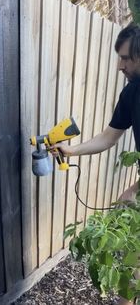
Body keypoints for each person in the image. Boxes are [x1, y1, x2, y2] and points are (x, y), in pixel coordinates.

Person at [51, 22, 140, 305]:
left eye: (126, 58)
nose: (119, 66)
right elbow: (109, 136)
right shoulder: (131, 94)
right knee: (134, 249)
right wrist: (71, 150)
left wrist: (135, 189)